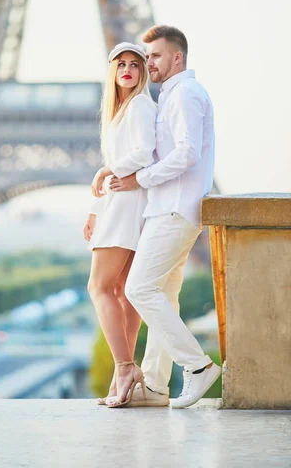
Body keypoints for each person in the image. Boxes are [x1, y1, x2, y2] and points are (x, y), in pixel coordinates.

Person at [109, 25, 221, 409]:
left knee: (139, 289)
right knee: (164, 297)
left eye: (154, 55)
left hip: (174, 208)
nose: (147, 62)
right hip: (168, 207)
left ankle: (197, 366)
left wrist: (140, 178)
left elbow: (187, 153)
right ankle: (155, 386)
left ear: (177, 57)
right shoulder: (171, 95)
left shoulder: (185, 93)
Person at [83, 41, 157, 408]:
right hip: (121, 203)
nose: (128, 70)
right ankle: (122, 374)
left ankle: (125, 366)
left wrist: (106, 169)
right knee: (125, 292)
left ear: (143, 72)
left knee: (99, 286)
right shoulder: (122, 109)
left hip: (127, 204)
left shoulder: (141, 104)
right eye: (121, 64)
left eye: (135, 64)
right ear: (112, 71)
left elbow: (143, 152)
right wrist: (96, 208)